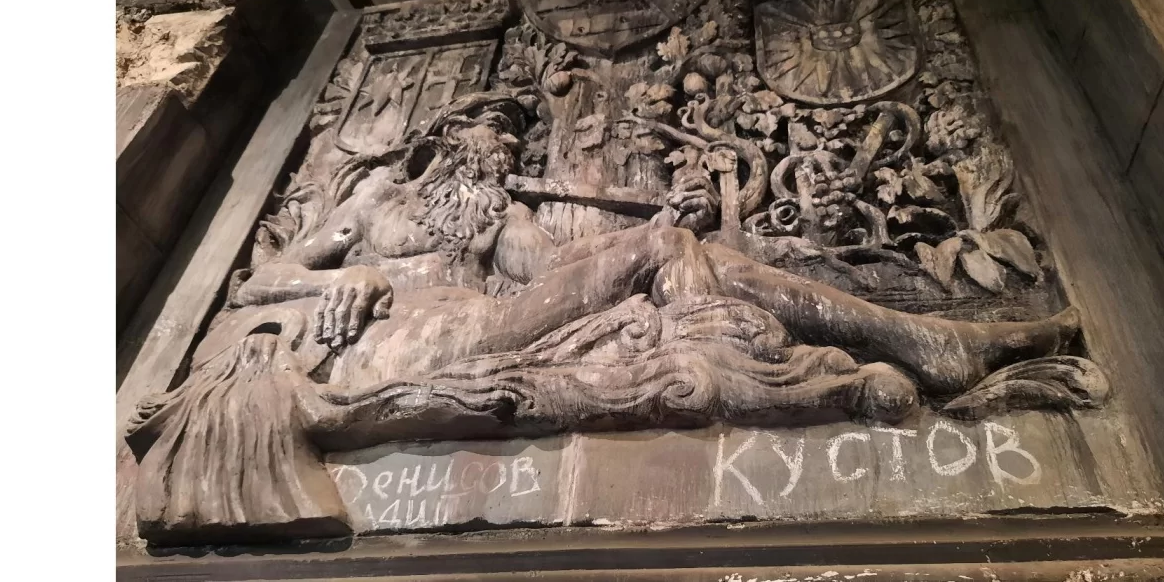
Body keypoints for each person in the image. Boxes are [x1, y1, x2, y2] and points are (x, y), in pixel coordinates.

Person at [231, 109, 1077, 397]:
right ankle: (910, 346)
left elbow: (553, 274)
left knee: (674, 243)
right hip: (409, 350)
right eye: (487, 133)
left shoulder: (498, 216)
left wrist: (657, 227)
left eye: (509, 139)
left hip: (488, 325)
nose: (501, 146)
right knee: (667, 248)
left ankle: (928, 341)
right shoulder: (374, 206)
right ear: (444, 142)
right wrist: (361, 276)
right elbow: (256, 282)